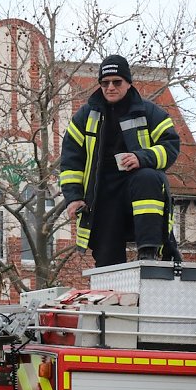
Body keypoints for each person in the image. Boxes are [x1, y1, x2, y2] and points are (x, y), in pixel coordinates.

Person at [60, 54, 182, 267]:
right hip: (102, 196)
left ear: (128, 83)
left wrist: (142, 157)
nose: (110, 87)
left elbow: (171, 146)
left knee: (148, 177)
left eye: (117, 82)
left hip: (136, 188)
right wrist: (74, 197)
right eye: (105, 83)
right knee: (108, 264)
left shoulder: (149, 112)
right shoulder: (85, 117)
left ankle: (148, 253)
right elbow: (71, 161)